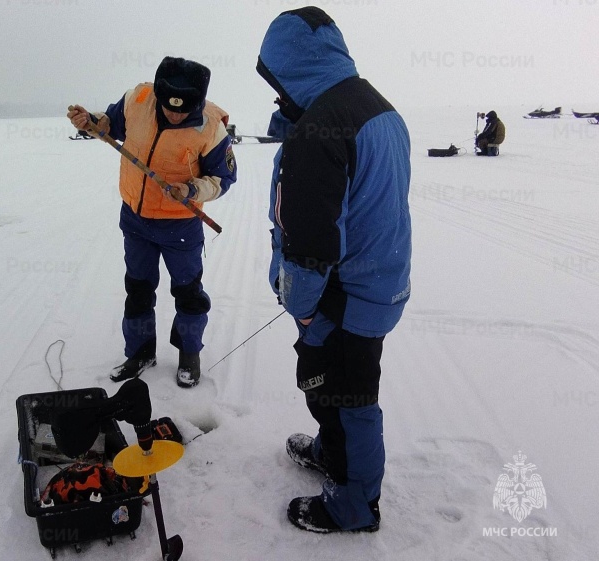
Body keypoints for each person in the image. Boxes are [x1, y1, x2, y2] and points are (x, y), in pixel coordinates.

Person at [257, 7, 411, 533]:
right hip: (379, 283)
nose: (276, 93)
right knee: (339, 389)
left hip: (342, 297)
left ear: (292, 67)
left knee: (345, 394)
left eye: (277, 80)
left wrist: (300, 309)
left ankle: (353, 505)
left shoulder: (319, 133)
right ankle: (333, 450)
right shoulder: (377, 105)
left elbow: (310, 249)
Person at [68, 57, 237, 388]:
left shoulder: (211, 128)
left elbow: (223, 177)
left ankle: (189, 354)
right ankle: (140, 352)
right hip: (135, 219)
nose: (174, 114)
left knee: (188, 293)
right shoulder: (140, 100)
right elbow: (111, 126)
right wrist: (91, 122)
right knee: (139, 289)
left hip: (181, 225)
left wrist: (191, 189)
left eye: (183, 110)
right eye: (169, 107)